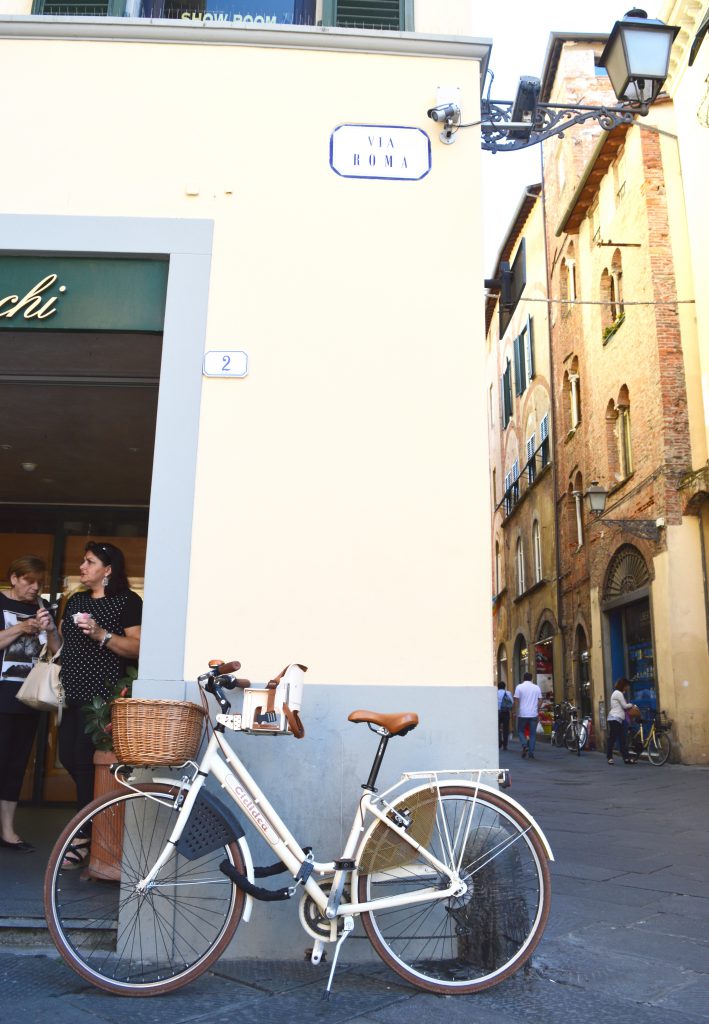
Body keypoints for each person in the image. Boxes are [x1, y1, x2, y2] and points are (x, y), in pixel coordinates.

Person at [58, 542, 142, 865]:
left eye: (90, 562)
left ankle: (86, 836)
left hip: (103, 700)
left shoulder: (128, 602)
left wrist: (101, 634)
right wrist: (49, 631)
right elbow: (63, 646)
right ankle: (92, 826)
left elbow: (136, 648)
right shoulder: (76, 600)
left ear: (107, 570)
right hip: (73, 694)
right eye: (83, 561)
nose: (82, 566)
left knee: (84, 761)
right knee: (69, 757)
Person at [0, 555, 60, 852]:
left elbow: (57, 651)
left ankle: (8, 831)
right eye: (29, 581)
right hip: (1, 695)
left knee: (15, 765)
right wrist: (20, 629)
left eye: (39, 582)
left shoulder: (42, 608)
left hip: (29, 697)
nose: (35, 587)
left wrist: (50, 629)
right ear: (14, 578)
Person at [606, 677, 637, 765]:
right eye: (627, 686)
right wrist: (632, 705)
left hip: (618, 719)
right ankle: (610, 757)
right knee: (613, 738)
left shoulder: (618, 693)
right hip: (615, 719)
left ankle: (626, 758)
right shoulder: (618, 693)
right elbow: (624, 706)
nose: (627, 688)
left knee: (622, 739)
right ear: (623, 686)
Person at [514, 671, 542, 760]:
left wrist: (515, 711)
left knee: (520, 731)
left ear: (523, 678)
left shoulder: (519, 687)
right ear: (531, 678)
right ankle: (531, 752)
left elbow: (516, 700)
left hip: (523, 713)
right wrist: (537, 708)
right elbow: (540, 700)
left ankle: (524, 745)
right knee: (533, 734)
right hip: (533, 713)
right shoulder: (536, 687)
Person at [497, 679, 513, 750]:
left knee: (497, 728)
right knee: (505, 729)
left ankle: (499, 742)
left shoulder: (495, 693)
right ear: (504, 687)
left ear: (498, 687)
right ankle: (505, 745)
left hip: (497, 712)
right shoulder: (508, 693)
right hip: (506, 712)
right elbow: (511, 702)